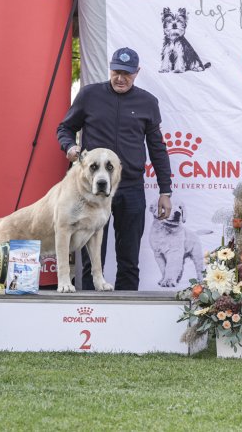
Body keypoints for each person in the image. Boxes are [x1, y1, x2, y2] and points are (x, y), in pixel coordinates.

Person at [56, 47, 173, 291]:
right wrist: (69, 146)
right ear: (110, 69)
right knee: (91, 259)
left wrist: (165, 191)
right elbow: (65, 128)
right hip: (92, 191)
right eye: (116, 72)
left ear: (137, 72)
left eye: (127, 73)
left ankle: (126, 311)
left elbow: (157, 148)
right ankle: (88, 310)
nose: (120, 78)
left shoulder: (148, 102)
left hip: (130, 188)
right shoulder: (89, 95)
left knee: (129, 260)